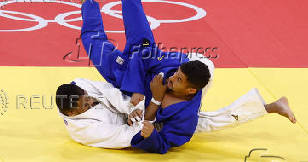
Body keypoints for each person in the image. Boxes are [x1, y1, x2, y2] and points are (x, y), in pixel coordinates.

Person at [57, 0, 296, 154]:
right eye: (177, 76)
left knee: (201, 123)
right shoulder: (171, 70)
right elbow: (144, 59)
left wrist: (146, 115)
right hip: (135, 76)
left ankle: (269, 106)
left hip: (128, 85)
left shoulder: (184, 115)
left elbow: (164, 139)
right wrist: (141, 99)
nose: (172, 79)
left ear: (190, 91)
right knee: (130, 3)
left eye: (178, 80)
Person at [56, 77, 296, 149]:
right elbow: (121, 136)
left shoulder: (79, 85)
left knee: (196, 117)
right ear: (72, 112)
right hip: (141, 130)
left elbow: (108, 90)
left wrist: (131, 106)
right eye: (85, 106)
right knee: (200, 124)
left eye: (87, 98)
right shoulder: (85, 131)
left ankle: (270, 107)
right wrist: (143, 123)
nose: (90, 102)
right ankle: (270, 107)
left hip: (135, 106)